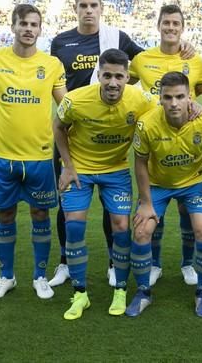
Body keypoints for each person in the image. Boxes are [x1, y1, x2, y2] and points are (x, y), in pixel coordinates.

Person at [48, 0, 195, 288]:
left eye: (93, 5)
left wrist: (183, 47)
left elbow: (152, 61)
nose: (88, 10)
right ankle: (64, 261)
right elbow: (56, 82)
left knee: (113, 210)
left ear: (101, 8)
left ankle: (114, 263)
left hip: (110, 137)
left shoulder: (118, 39)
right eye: (83, 5)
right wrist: (73, 109)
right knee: (68, 207)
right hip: (76, 129)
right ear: (75, 8)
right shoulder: (60, 42)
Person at [0, 4, 66, 301]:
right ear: (13, 26)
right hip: (2, 155)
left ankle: (39, 276)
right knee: (6, 214)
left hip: (39, 156)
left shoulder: (52, 65)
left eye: (34, 24)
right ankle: (6, 276)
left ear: (40, 29)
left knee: (40, 213)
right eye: (23, 23)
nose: (28, 29)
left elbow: (66, 107)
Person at [52, 49, 158, 320]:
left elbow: (164, 113)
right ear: (98, 75)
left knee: (121, 228)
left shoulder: (141, 99)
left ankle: (120, 289)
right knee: (73, 226)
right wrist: (68, 166)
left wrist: (192, 106)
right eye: (107, 75)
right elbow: (58, 127)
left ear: (127, 77)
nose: (113, 82)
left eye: (119, 76)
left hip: (116, 170)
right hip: (80, 171)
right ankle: (80, 294)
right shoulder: (74, 100)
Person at [129, 4, 202, 287]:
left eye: (175, 23)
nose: (170, 27)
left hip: (186, 149)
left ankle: (188, 263)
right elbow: (121, 84)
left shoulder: (195, 60)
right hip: (156, 144)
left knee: (189, 217)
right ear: (158, 25)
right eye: (166, 22)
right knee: (155, 214)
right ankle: (154, 264)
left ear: (182, 27)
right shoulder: (142, 59)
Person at [129, 71, 202, 317]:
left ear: (190, 97)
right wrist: (146, 203)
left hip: (193, 183)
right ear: (159, 98)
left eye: (179, 97)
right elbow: (140, 163)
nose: (173, 103)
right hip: (158, 185)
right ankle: (142, 292)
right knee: (141, 231)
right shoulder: (147, 124)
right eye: (167, 97)